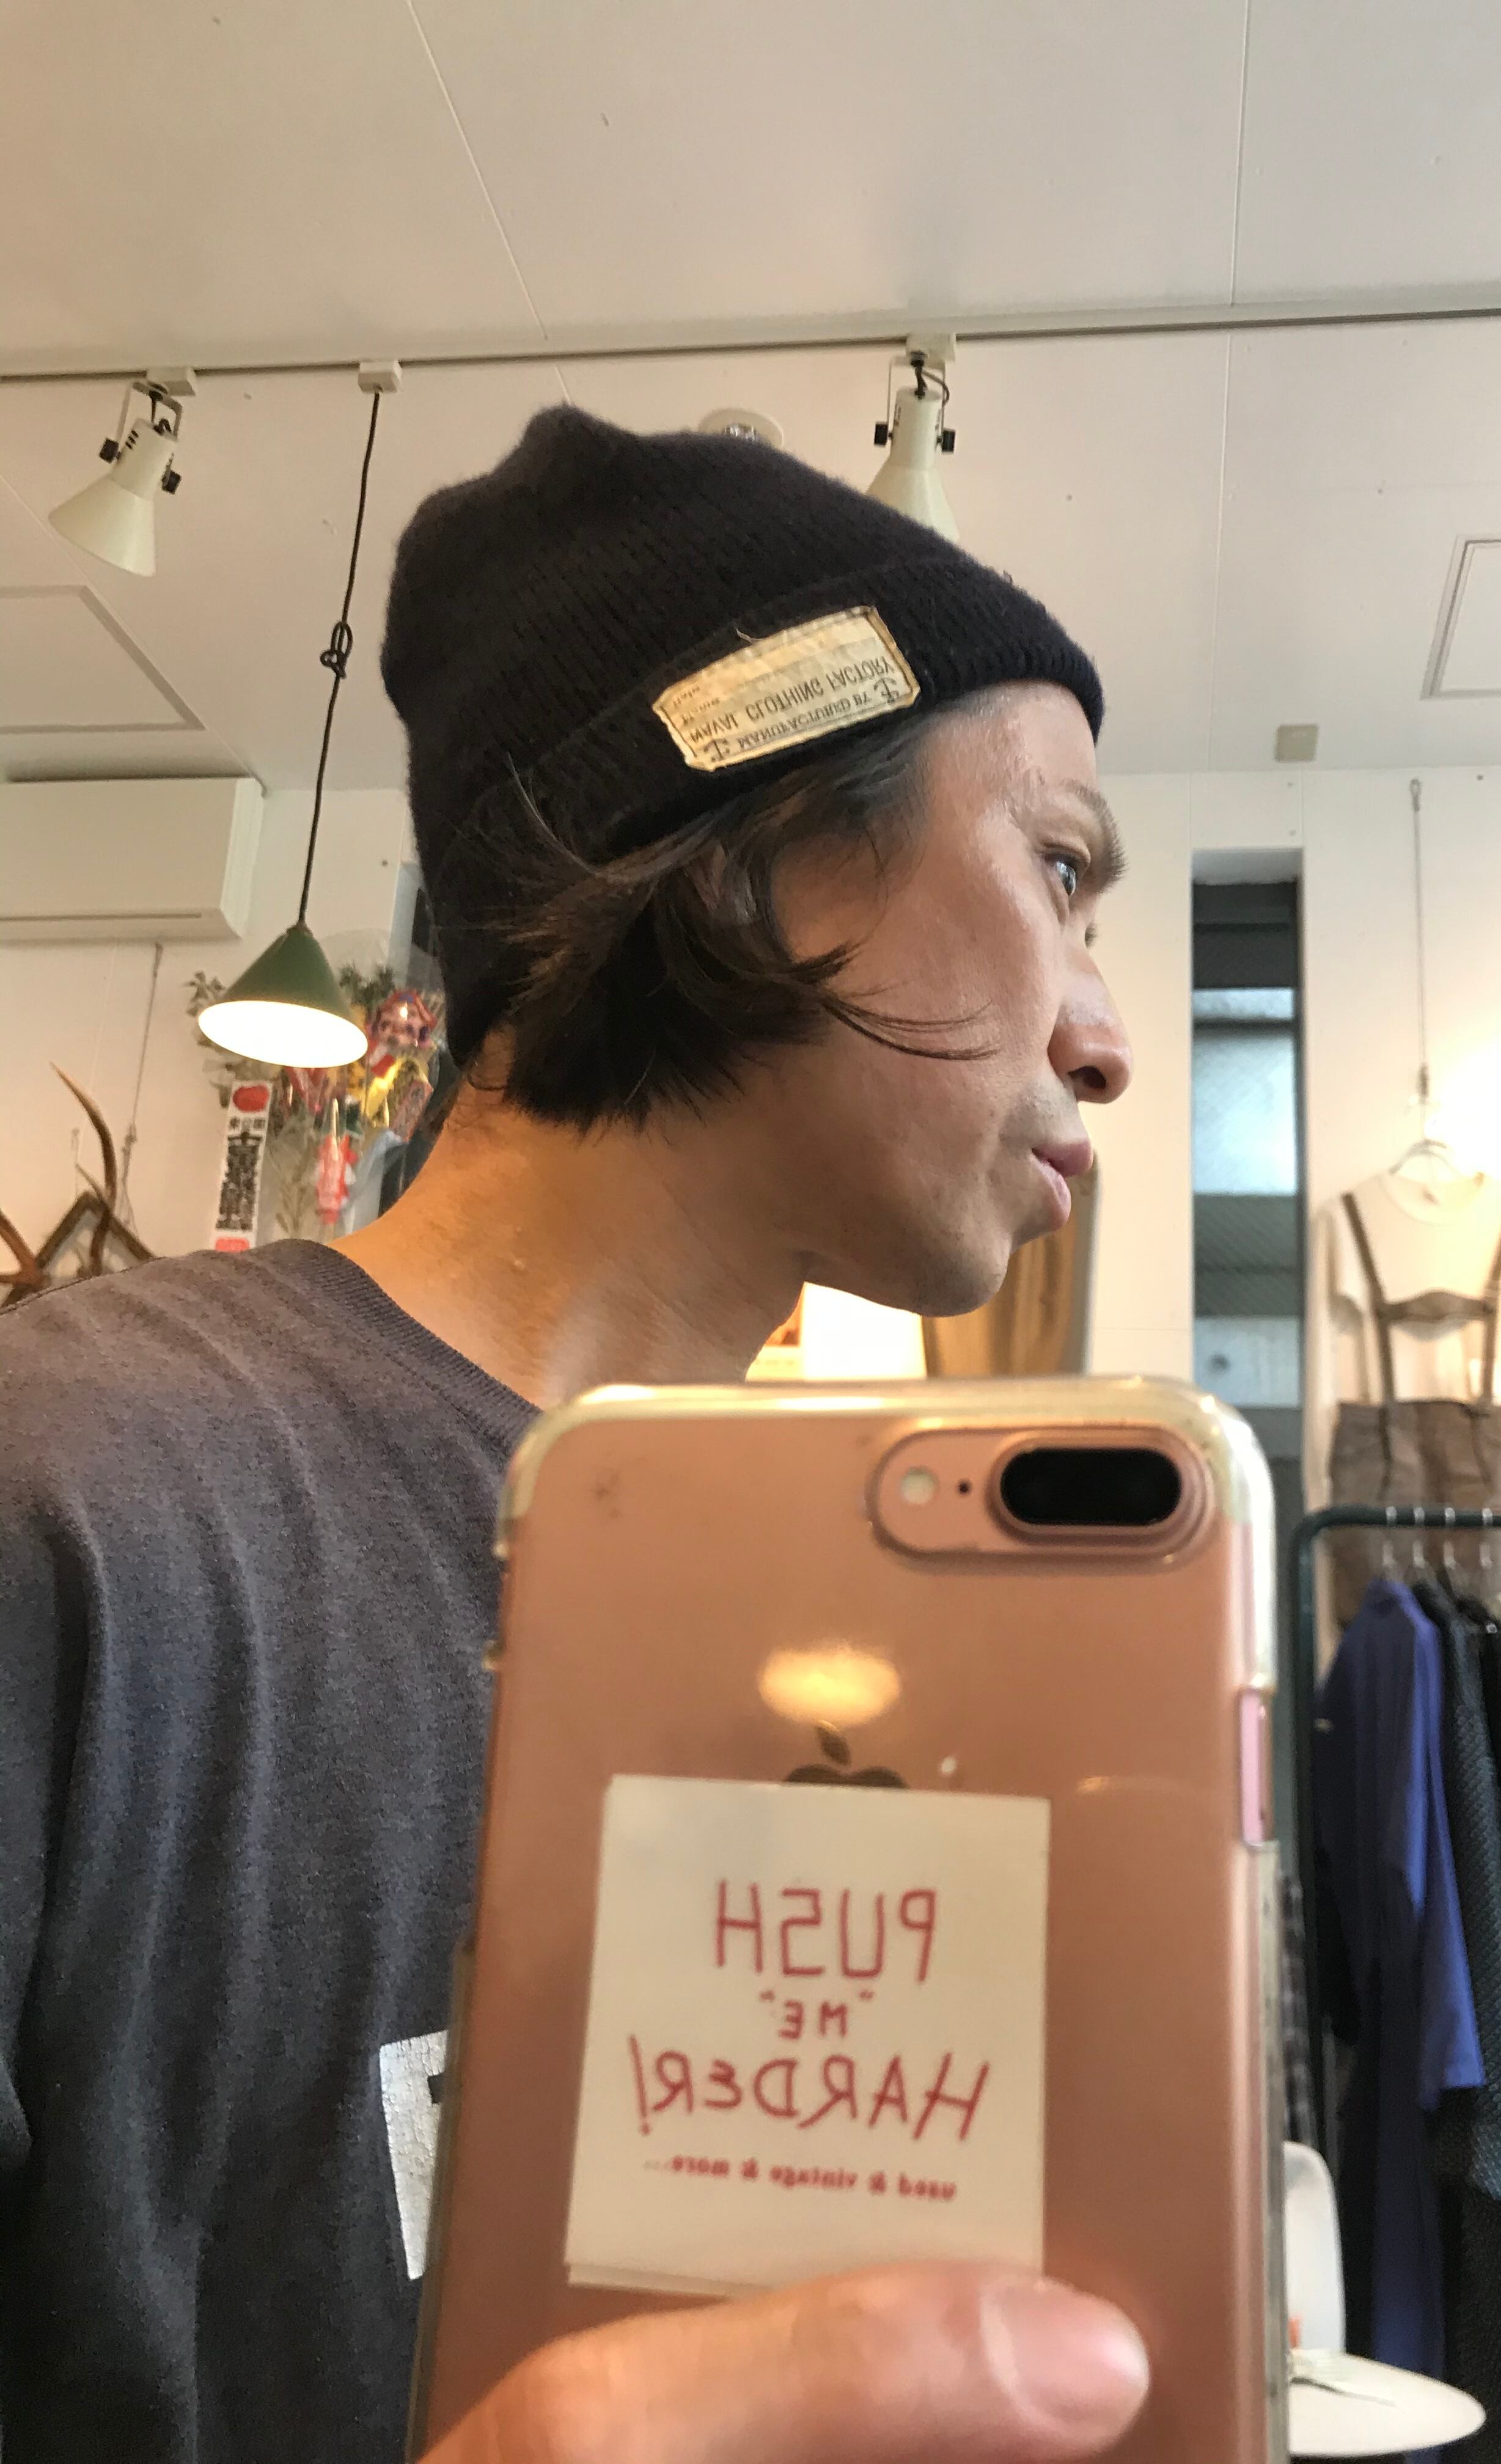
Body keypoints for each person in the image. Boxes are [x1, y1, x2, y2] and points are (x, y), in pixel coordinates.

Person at [0, 408, 1140, 2463]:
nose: (1108, 1032)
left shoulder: (834, 1626)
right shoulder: (80, 1501)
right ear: (763, 845)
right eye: (1058, 867)